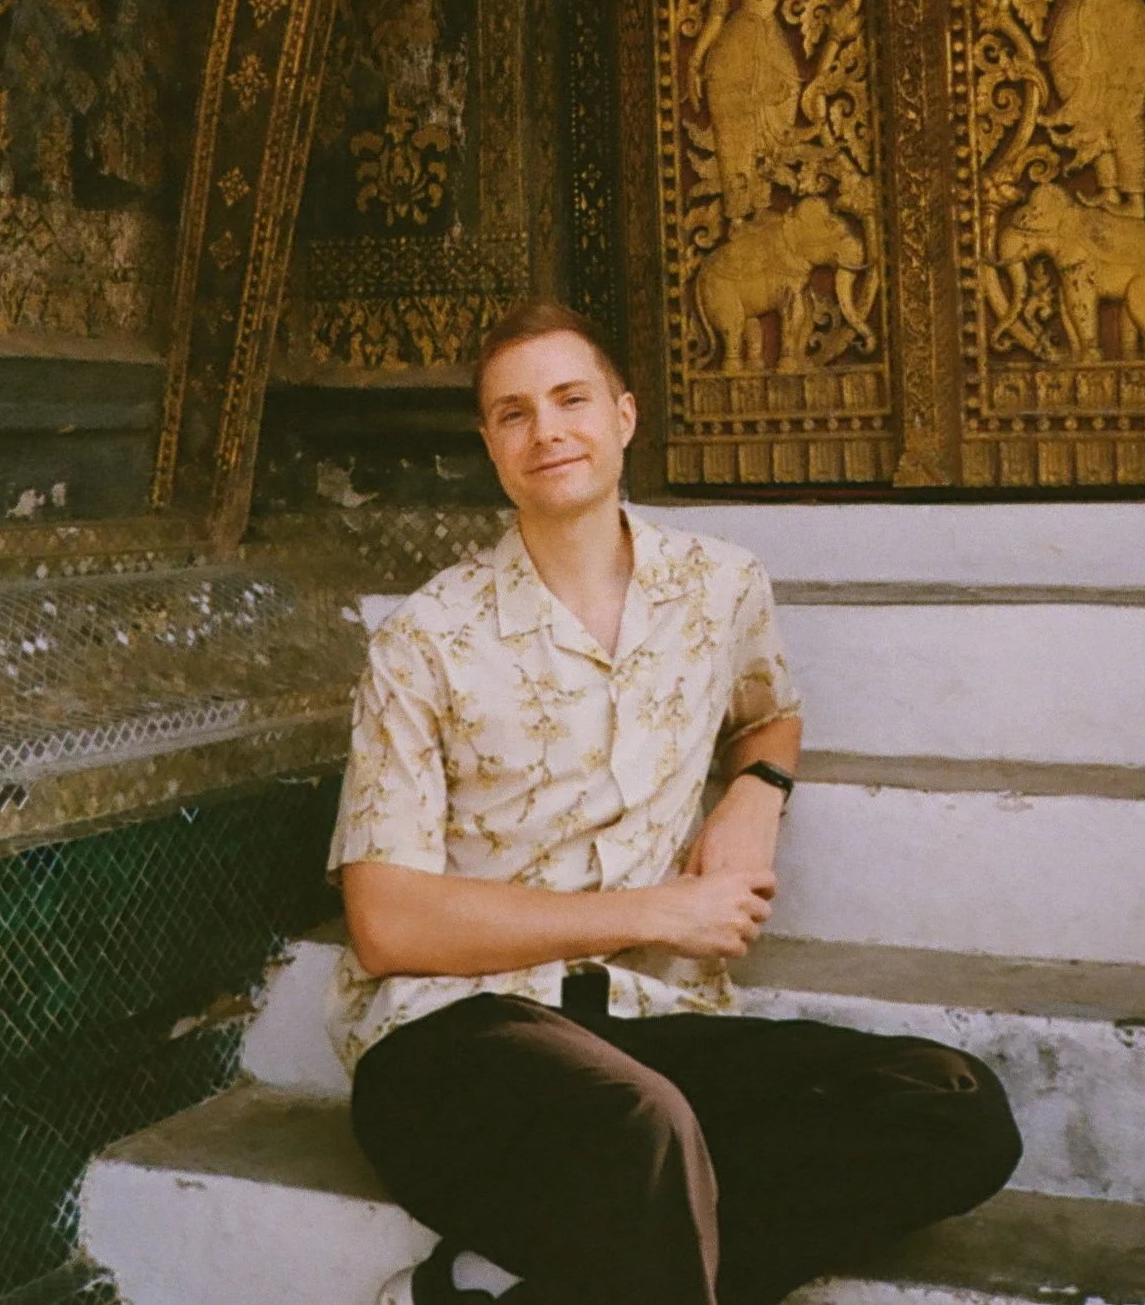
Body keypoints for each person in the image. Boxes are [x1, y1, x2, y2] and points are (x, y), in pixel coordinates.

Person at [327, 300, 1021, 1305]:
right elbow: (384, 920)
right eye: (512, 412)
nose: (546, 429)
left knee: (952, 1112)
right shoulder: (423, 640)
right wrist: (656, 912)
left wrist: (755, 790)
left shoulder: (720, 584)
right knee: (642, 1125)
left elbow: (766, 709)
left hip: (649, 1018)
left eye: (570, 399)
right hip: (454, 1040)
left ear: (623, 414)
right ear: (488, 444)